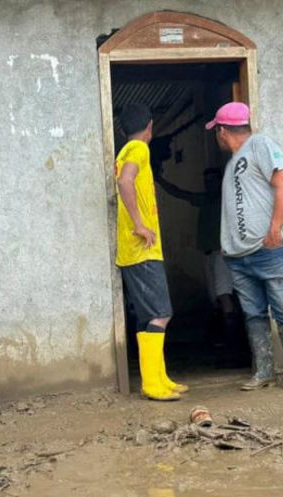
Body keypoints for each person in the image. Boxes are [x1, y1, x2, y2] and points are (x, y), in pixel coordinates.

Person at [208, 101, 283, 395]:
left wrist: (276, 228)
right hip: (239, 256)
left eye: (216, 131)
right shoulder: (234, 161)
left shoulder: (261, 145)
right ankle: (264, 371)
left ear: (223, 131)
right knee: (253, 314)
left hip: (269, 249)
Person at [114, 101, 186, 401]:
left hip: (137, 251)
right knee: (160, 314)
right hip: (141, 249)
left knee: (150, 317)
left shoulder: (128, 150)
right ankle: (152, 384)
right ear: (150, 126)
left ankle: (159, 377)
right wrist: (140, 224)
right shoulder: (138, 149)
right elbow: (124, 180)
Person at [153, 167, 243, 361]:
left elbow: (181, 194)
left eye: (212, 180)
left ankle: (233, 346)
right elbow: (181, 194)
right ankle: (227, 343)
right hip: (209, 253)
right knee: (216, 298)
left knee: (224, 295)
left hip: (222, 253)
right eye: (207, 181)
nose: (209, 184)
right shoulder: (205, 200)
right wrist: (160, 180)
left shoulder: (225, 201)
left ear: (220, 182)